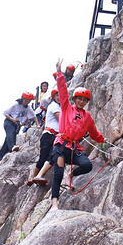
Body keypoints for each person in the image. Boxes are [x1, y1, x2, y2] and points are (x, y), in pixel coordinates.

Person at [34, 60, 106, 210]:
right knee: (58, 173)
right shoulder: (66, 108)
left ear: (87, 102)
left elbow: (93, 133)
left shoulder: (87, 117)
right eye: (79, 98)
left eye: (84, 100)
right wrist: (59, 73)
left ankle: (72, 175)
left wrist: (103, 140)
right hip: (61, 145)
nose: (81, 101)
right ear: (75, 99)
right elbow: (62, 91)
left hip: (74, 148)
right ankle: (55, 204)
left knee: (87, 165)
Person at [0, 92, 40, 163]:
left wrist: (37, 124)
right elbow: (5, 112)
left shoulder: (28, 107)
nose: (27, 102)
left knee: (7, 140)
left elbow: (34, 116)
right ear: (22, 98)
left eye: (29, 101)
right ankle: (13, 147)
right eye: (26, 100)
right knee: (11, 134)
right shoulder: (15, 104)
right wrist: (12, 119)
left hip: (17, 124)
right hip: (9, 122)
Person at [27, 88, 60, 185]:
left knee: (52, 155)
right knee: (44, 157)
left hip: (56, 136)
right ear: (53, 97)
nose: (59, 97)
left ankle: (37, 177)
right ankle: (34, 177)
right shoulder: (53, 106)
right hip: (49, 135)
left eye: (60, 95)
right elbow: (61, 120)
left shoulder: (61, 107)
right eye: (57, 95)